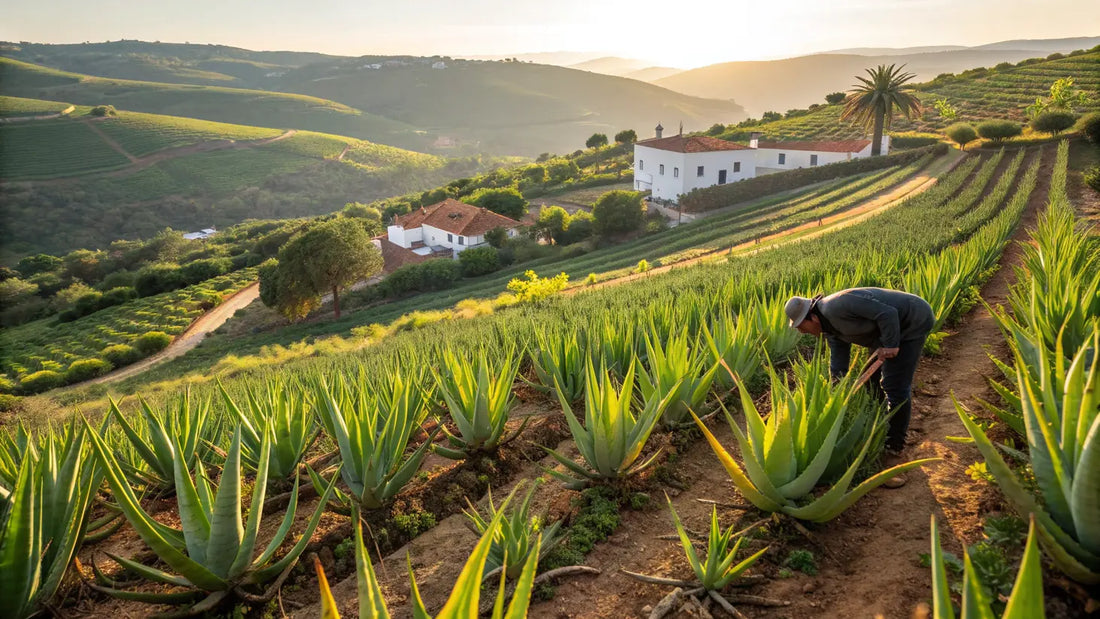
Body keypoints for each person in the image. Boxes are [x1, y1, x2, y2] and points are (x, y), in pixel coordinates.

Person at [784, 288, 935, 488]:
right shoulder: (830, 329)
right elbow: (838, 366)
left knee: (894, 385)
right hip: (883, 332)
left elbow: (888, 313)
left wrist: (891, 344)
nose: (802, 332)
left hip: (911, 321)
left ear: (812, 317)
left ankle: (894, 448)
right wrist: (834, 392)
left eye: (801, 326)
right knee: (870, 381)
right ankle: (883, 423)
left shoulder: (838, 305)